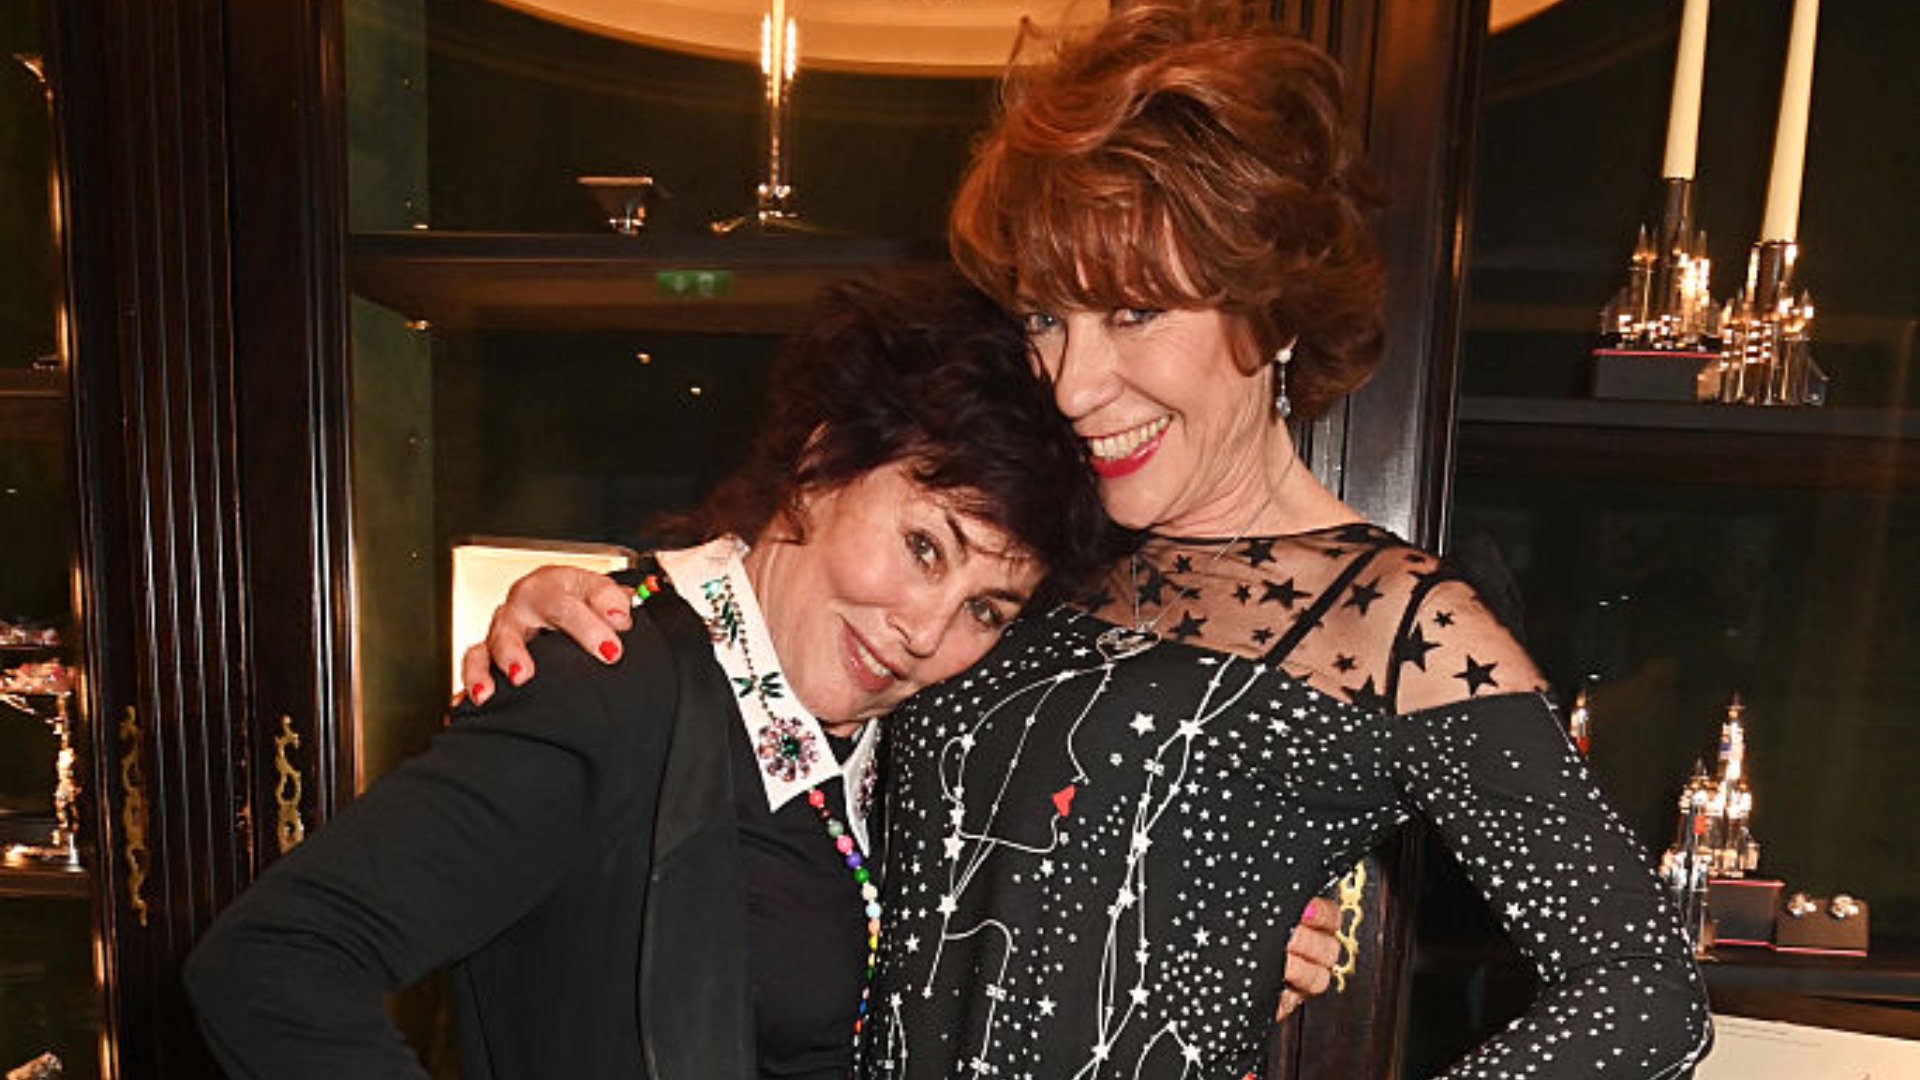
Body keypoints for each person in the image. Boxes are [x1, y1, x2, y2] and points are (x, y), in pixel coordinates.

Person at [465, 3, 1713, 1077]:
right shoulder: (1048, 541)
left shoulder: (1398, 630)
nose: (1074, 383)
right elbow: (812, 662)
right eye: (1049, 319)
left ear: (1272, 309)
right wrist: (614, 604)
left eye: (1134, 311)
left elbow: (1643, 992)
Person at [183, 271, 1122, 1079]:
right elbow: (272, 961)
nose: (927, 631)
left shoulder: (910, 739)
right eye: (924, 546)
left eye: (987, 609)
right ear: (821, 465)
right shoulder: (607, 688)